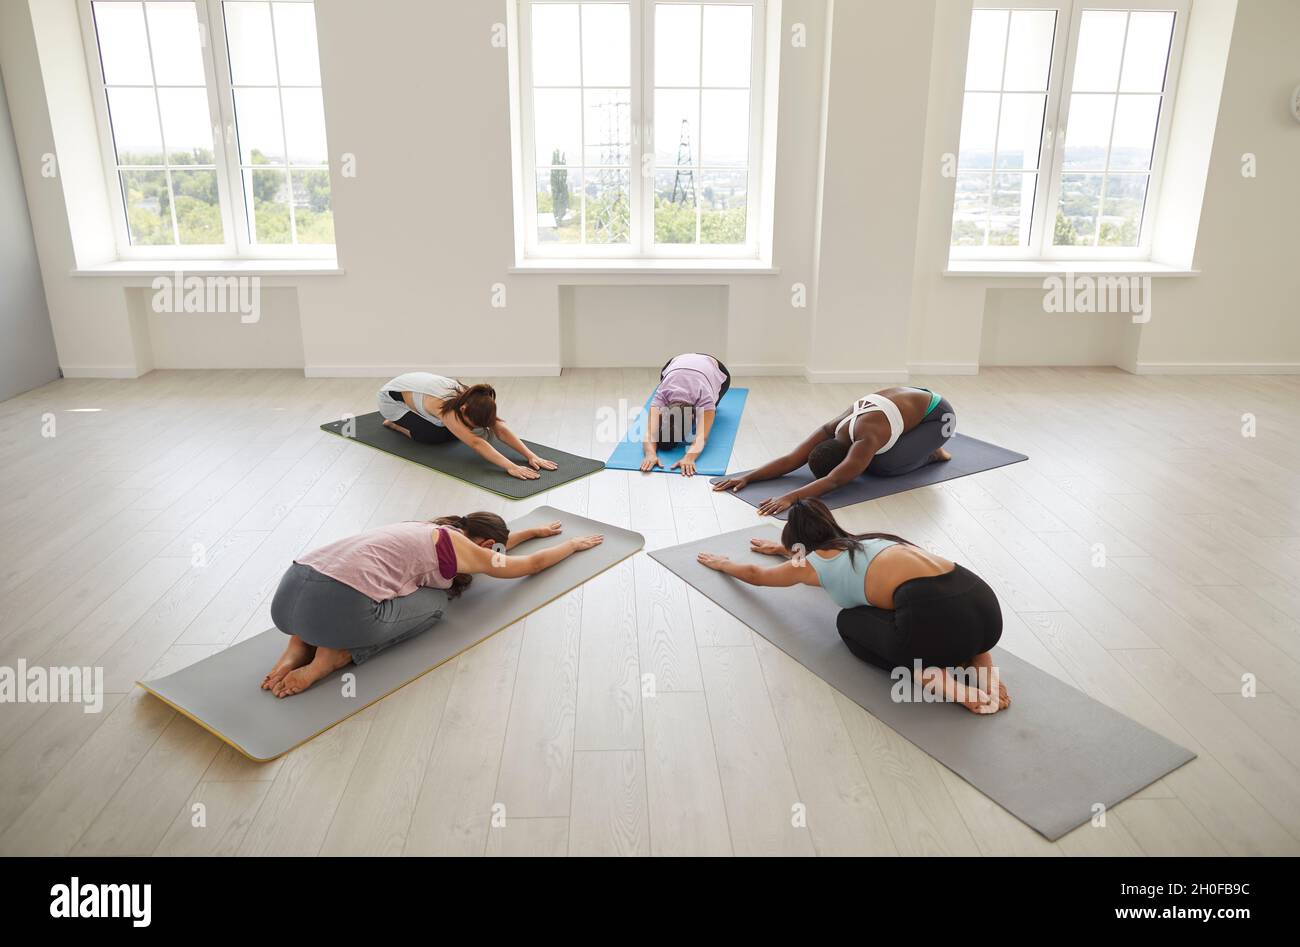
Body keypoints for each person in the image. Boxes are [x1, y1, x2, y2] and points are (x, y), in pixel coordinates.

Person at [696, 499, 1008, 715]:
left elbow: (757, 576)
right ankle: (984, 670)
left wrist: (724, 564)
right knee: (938, 616)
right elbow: (820, 554)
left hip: (932, 618)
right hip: (985, 609)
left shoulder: (811, 563)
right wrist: (784, 549)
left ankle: (943, 682)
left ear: (799, 544)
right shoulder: (871, 540)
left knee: (849, 623)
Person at [262, 513, 604, 697]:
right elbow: (530, 566)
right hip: (341, 611)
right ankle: (333, 657)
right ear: (486, 544)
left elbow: (488, 551)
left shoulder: (426, 528)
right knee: (437, 603)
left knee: (372, 578)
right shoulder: (466, 549)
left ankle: (297, 645)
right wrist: (571, 544)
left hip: (289, 594)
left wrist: (531, 532)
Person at [712, 386, 954, 515]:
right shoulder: (833, 427)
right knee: (880, 456)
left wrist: (789, 497)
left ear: (847, 460)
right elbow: (791, 459)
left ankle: (933, 453)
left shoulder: (867, 439)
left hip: (940, 417)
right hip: (909, 400)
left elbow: (835, 480)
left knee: (884, 466)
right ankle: (914, 440)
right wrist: (747, 477)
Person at [377, 371, 558, 481]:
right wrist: (511, 466)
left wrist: (531, 456)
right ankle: (395, 425)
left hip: (414, 386)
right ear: (462, 408)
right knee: (434, 435)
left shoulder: (475, 399)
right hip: (391, 401)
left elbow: (499, 427)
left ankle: (440, 423)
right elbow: (476, 443)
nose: (473, 428)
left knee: (457, 431)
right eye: (470, 422)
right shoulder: (444, 408)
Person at [641, 353, 732, 477]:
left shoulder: (705, 398)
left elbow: (701, 438)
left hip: (715, 366)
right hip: (677, 361)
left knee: (712, 410)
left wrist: (689, 457)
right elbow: (650, 433)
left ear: (693, 418)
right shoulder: (662, 392)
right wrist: (650, 454)